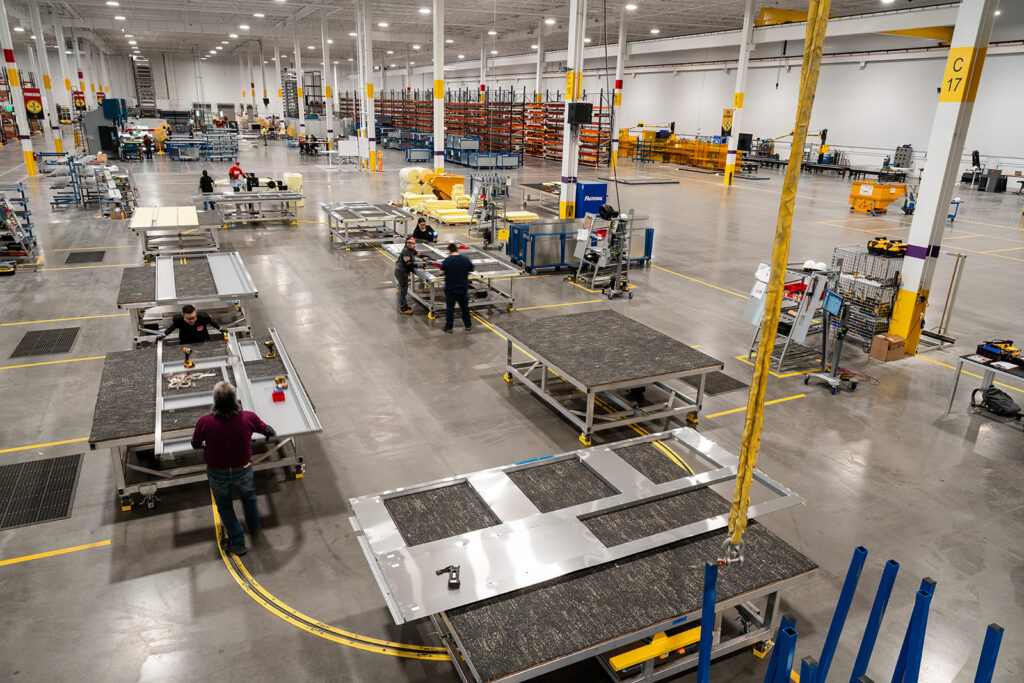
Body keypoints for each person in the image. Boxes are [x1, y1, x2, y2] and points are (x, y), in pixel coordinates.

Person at [192, 381, 276, 555]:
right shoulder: (248, 418)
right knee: (249, 499)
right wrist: (268, 434)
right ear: (235, 400)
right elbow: (268, 431)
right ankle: (254, 530)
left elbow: (195, 444)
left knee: (224, 506)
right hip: (243, 469)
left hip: (218, 473)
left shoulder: (205, 422)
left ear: (215, 402)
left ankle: (237, 543)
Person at [440, 242, 475, 333]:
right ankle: (468, 325)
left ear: (450, 251)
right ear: (457, 249)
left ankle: (449, 328)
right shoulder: (465, 259)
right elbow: (472, 269)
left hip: (451, 289)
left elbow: (440, 272)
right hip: (463, 288)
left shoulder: (447, 260)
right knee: (465, 308)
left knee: (450, 308)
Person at [157, 303, 223, 344]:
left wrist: (221, 329)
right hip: (185, 341)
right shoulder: (178, 319)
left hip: (202, 339)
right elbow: (172, 328)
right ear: (183, 315)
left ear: (196, 312)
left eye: (193, 318)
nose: (191, 321)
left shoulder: (204, 316)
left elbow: (212, 322)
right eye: (188, 319)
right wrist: (163, 335)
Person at [394, 236, 423, 315]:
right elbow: (408, 264)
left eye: (415, 244)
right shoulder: (406, 250)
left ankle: (405, 305)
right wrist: (419, 265)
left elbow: (417, 254)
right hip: (401, 272)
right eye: (413, 244)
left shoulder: (411, 249)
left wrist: (425, 258)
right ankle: (403, 309)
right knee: (403, 290)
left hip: (403, 271)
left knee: (404, 289)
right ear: (408, 244)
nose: (414, 245)